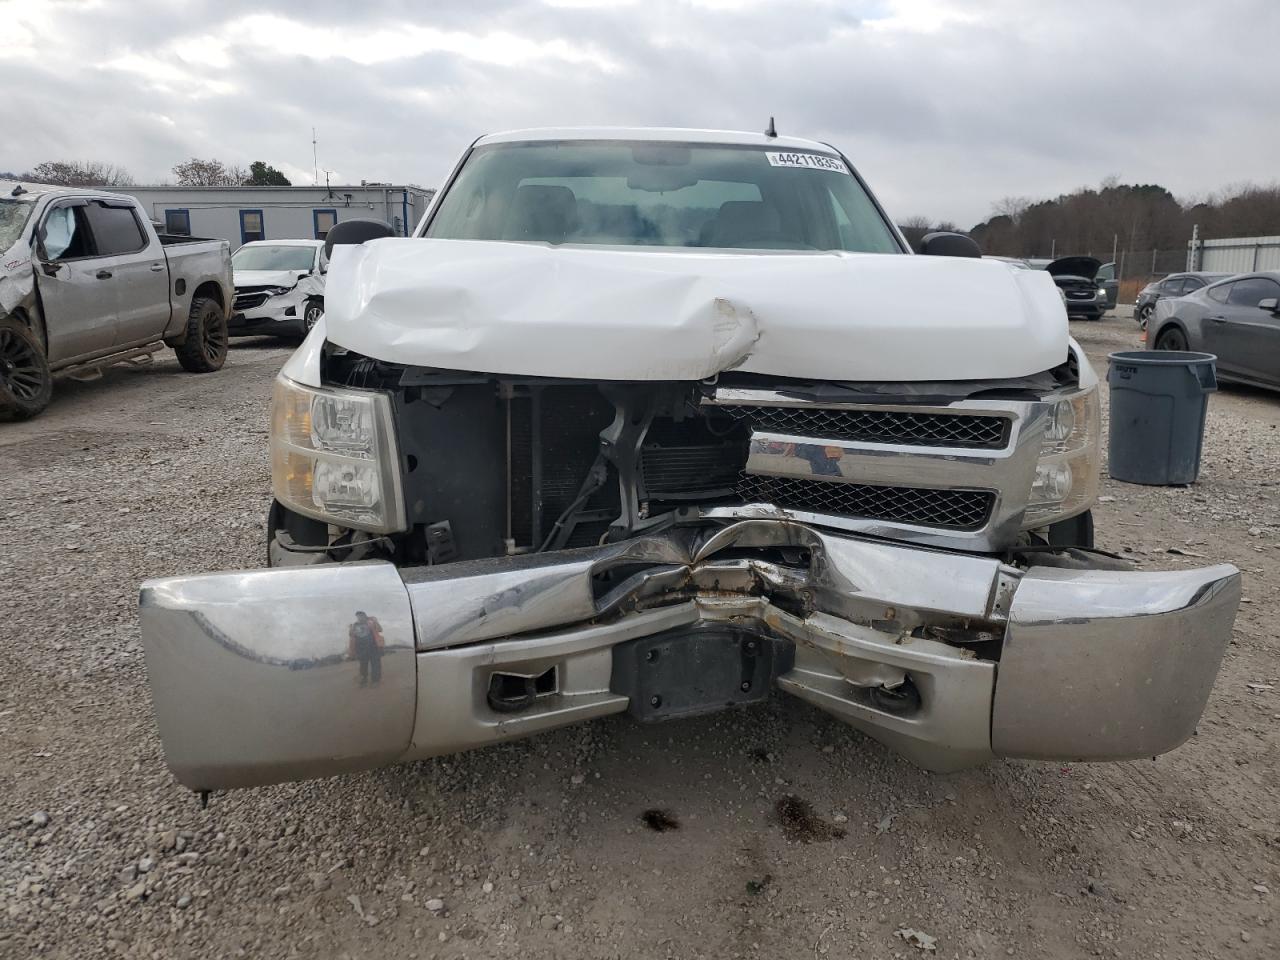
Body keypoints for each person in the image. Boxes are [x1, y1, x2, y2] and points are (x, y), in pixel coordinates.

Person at [347, 611, 385, 687]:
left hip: (373, 647)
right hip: (361, 648)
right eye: (358, 616)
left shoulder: (371, 622)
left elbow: (380, 629)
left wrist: (375, 622)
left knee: (375, 665)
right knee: (363, 665)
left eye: (361, 616)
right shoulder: (355, 625)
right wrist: (350, 629)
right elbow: (351, 635)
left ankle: (375, 681)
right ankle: (364, 681)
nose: (359, 618)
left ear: (365, 616)